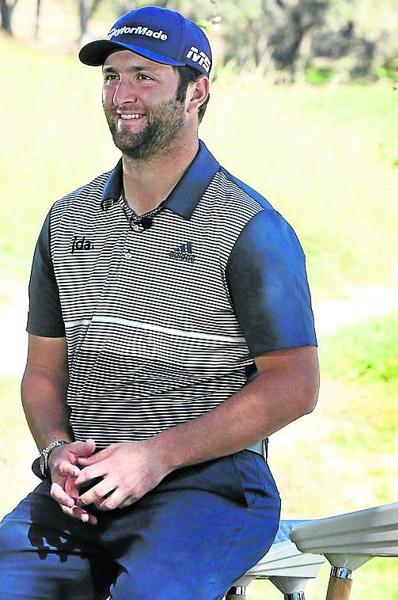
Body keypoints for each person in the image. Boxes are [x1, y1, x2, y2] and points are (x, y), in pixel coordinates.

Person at [0, 6, 319, 599]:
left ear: (196, 91)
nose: (122, 93)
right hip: (86, 492)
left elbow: (295, 386)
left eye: (144, 76)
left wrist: (154, 458)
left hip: (211, 488)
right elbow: (44, 372)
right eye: (112, 76)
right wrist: (54, 452)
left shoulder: (250, 227)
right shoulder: (67, 221)